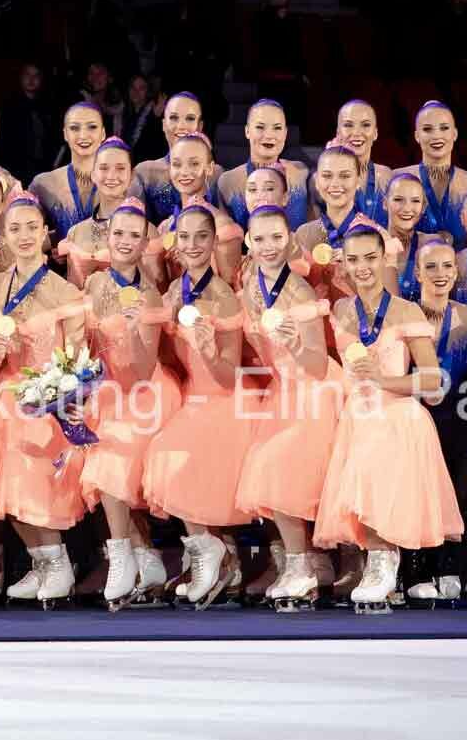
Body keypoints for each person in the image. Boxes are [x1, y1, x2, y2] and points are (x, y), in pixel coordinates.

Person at [318, 226, 463, 613]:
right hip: (357, 413)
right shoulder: (342, 311)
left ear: (384, 260)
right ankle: (377, 559)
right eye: (353, 260)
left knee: (374, 473)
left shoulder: (405, 310)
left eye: (370, 258)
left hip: (396, 412)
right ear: (344, 264)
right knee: (355, 488)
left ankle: (384, 561)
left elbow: (433, 379)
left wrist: (383, 379)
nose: (362, 267)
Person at [0, 193, 90, 609]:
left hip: (51, 395)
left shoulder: (65, 291)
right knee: (4, 470)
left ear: (44, 233)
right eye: (15, 228)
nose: (23, 236)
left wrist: (64, 394)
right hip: (7, 392)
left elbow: (76, 356)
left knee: (26, 456)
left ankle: (54, 561)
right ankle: (47, 563)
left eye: (31, 228)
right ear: (3, 236)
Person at [141, 204, 251, 608]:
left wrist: (207, 349)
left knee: (168, 454)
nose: (191, 245)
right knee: (162, 454)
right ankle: (214, 554)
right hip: (191, 397)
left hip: (220, 400)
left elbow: (228, 375)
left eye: (200, 237)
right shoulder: (175, 290)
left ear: (213, 242)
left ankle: (209, 549)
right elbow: (169, 357)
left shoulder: (221, 297)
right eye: (184, 237)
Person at [76, 196, 180, 608]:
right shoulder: (94, 284)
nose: (124, 241)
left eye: (134, 236)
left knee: (109, 456)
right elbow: (85, 342)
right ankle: (145, 557)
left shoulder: (149, 296)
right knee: (89, 447)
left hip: (143, 395)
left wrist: (137, 329)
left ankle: (120, 553)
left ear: (143, 245)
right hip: (105, 390)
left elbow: (140, 371)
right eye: (118, 233)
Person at [235, 206, 341, 610]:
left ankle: (303, 565)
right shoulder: (250, 287)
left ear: (289, 239)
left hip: (314, 390)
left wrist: (295, 341)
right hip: (283, 390)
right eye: (259, 239)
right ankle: (303, 564)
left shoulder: (300, 291)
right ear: (248, 241)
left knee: (277, 467)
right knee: (269, 468)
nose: (268, 247)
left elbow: (315, 362)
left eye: (276, 238)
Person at [402, 239, 467, 604]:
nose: (440, 274)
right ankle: (417, 567)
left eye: (447, 266)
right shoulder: (404, 315)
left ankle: (452, 563)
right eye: (431, 267)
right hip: (415, 410)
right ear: (417, 272)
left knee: (461, 485)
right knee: (418, 486)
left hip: (458, 411)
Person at [58, 140, 165, 289]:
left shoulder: (148, 231)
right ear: (93, 174)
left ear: (132, 175)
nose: (111, 176)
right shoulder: (76, 232)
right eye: (104, 168)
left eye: (120, 168)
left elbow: (157, 292)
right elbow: (71, 292)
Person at [294, 147, 382, 301]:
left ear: (358, 181)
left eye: (345, 176)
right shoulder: (304, 233)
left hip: (359, 322)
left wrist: (352, 271)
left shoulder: (376, 235)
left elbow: (387, 304)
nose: (335, 183)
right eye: (327, 176)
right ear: (317, 182)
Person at [159, 134, 244, 285]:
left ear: (209, 168)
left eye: (194, 164)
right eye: (177, 164)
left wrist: (193, 267)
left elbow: (233, 290)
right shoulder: (166, 227)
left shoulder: (222, 226)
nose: (184, 172)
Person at [216, 100, 309, 231]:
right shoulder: (228, 181)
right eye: (260, 127)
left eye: (277, 128)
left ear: (286, 133)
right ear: (247, 131)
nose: (269, 135)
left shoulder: (301, 172)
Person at [397, 102, 467, 247]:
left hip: (459, 267)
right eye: (427, 129)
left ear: (454, 134)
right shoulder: (396, 180)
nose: (436, 136)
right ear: (417, 136)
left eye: (444, 128)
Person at [133, 93, 220, 220]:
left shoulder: (216, 174)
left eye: (190, 118)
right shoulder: (145, 172)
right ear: (163, 124)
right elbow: (130, 226)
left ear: (200, 126)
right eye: (174, 118)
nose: (181, 126)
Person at [29, 102, 107, 241]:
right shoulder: (44, 184)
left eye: (92, 127)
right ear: (65, 134)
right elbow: (24, 235)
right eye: (74, 128)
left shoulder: (120, 182)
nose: (83, 135)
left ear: (103, 133)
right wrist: (55, 244)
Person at [334, 100, 395, 225]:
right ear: (338, 133)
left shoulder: (387, 177)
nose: (356, 132)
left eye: (365, 125)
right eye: (348, 125)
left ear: (376, 133)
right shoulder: (322, 180)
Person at [383, 173, 430, 299]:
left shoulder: (431, 245)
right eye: (398, 200)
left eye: (415, 201)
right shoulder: (371, 244)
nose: (407, 208)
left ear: (423, 207)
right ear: (385, 203)